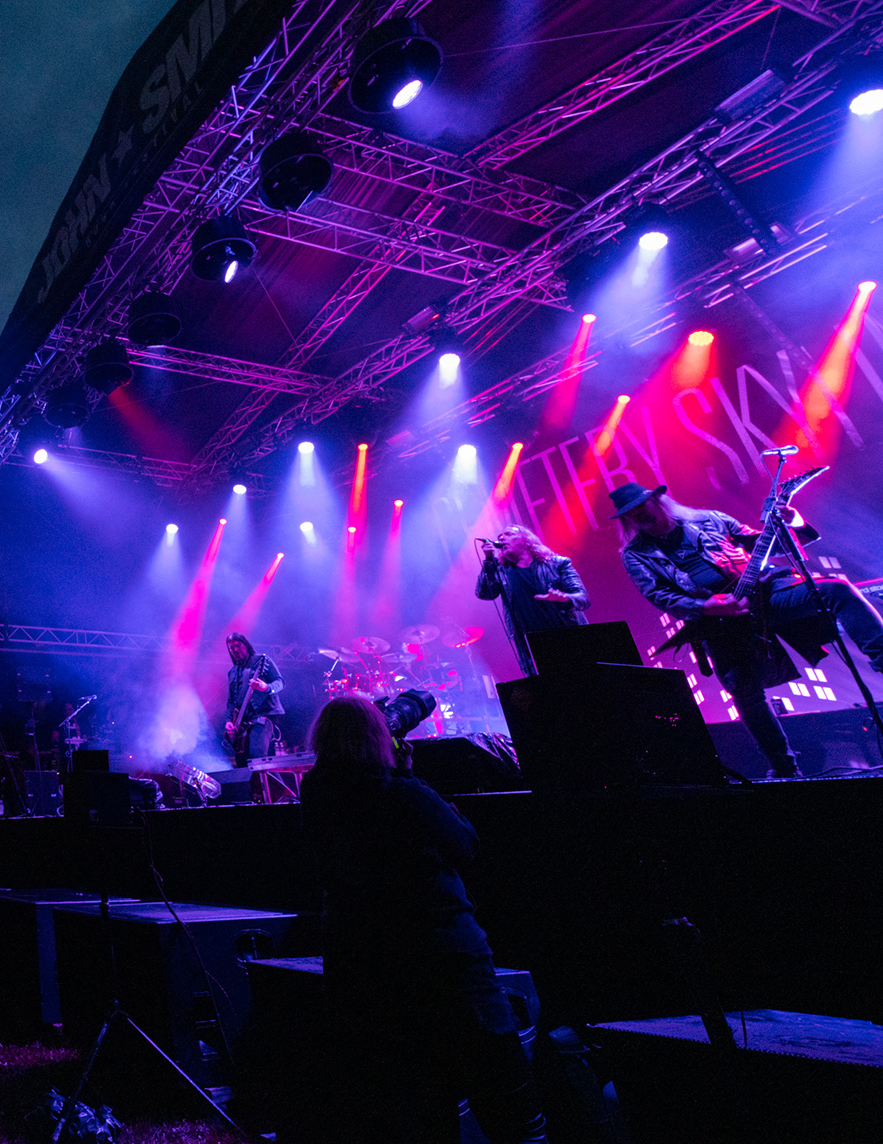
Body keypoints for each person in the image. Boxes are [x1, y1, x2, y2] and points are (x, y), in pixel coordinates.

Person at [300, 695, 547, 1143]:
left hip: (363, 956)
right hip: (444, 954)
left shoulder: (315, 790)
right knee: (501, 1080)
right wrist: (406, 773)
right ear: (378, 737)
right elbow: (465, 845)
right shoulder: (401, 793)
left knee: (417, 1096)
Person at [611, 481, 883, 778]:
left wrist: (794, 522)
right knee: (743, 690)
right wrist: (704, 607)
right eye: (630, 513)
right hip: (717, 619)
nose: (638, 515)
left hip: (763, 594)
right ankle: (784, 768)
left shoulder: (708, 519)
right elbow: (658, 595)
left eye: (641, 506)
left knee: (837, 589)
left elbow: (768, 544)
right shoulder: (635, 554)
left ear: (658, 501)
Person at [474, 525, 589, 676]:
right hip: (532, 648)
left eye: (508, 534)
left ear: (527, 540)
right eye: (500, 536)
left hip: (569, 638)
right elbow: (485, 594)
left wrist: (565, 599)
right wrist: (489, 561)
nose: (501, 538)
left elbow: (583, 598)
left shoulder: (557, 563)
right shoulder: (501, 572)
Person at [223, 632, 284, 762]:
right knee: (242, 760)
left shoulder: (262, 660)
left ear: (246, 645)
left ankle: (265, 776)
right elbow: (231, 701)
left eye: (238, 646)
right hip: (243, 722)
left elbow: (280, 682)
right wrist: (229, 721)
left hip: (263, 715)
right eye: (231, 648)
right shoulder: (232, 672)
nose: (235, 650)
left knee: (257, 756)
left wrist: (266, 687)